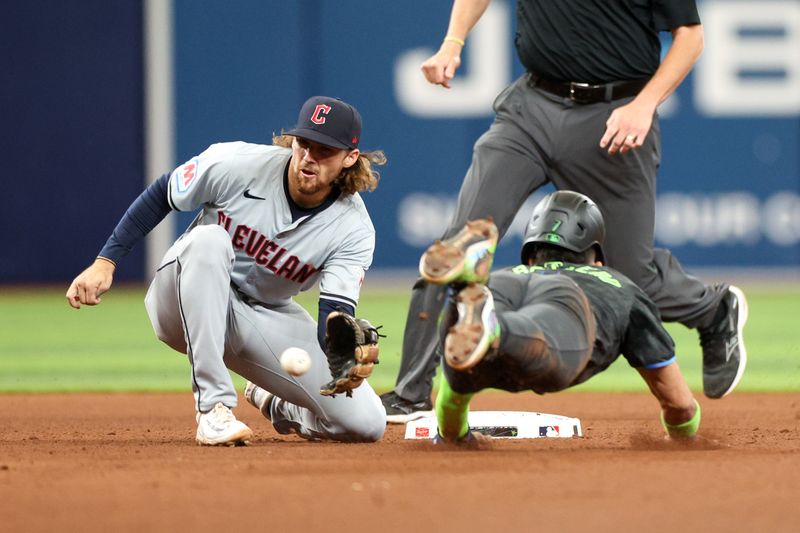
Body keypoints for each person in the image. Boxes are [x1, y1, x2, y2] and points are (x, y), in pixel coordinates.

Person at [381, 0, 748, 422]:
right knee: (459, 245)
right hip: (531, 108)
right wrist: (452, 42)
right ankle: (412, 393)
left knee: (629, 276)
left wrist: (645, 105)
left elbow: (691, 37)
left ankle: (713, 309)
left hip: (615, 115)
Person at [66, 96, 388, 445]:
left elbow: (333, 312)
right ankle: (213, 409)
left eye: (324, 150)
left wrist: (341, 341)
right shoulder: (237, 163)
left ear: (350, 158)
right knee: (210, 240)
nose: (309, 157)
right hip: (181, 299)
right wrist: (105, 262)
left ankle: (278, 404)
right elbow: (163, 193)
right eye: (303, 144)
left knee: (366, 423)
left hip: (261, 316)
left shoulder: (353, 227)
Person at [420, 191, 711, 444]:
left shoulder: (509, 276)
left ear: (531, 256)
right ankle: (496, 330)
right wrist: (683, 436)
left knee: (468, 336)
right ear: (596, 258)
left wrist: (455, 436)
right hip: (563, 301)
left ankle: (463, 285)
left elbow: (453, 392)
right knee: (539, 334)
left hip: (498, 286)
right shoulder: (616, 285)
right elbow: (680, 405)